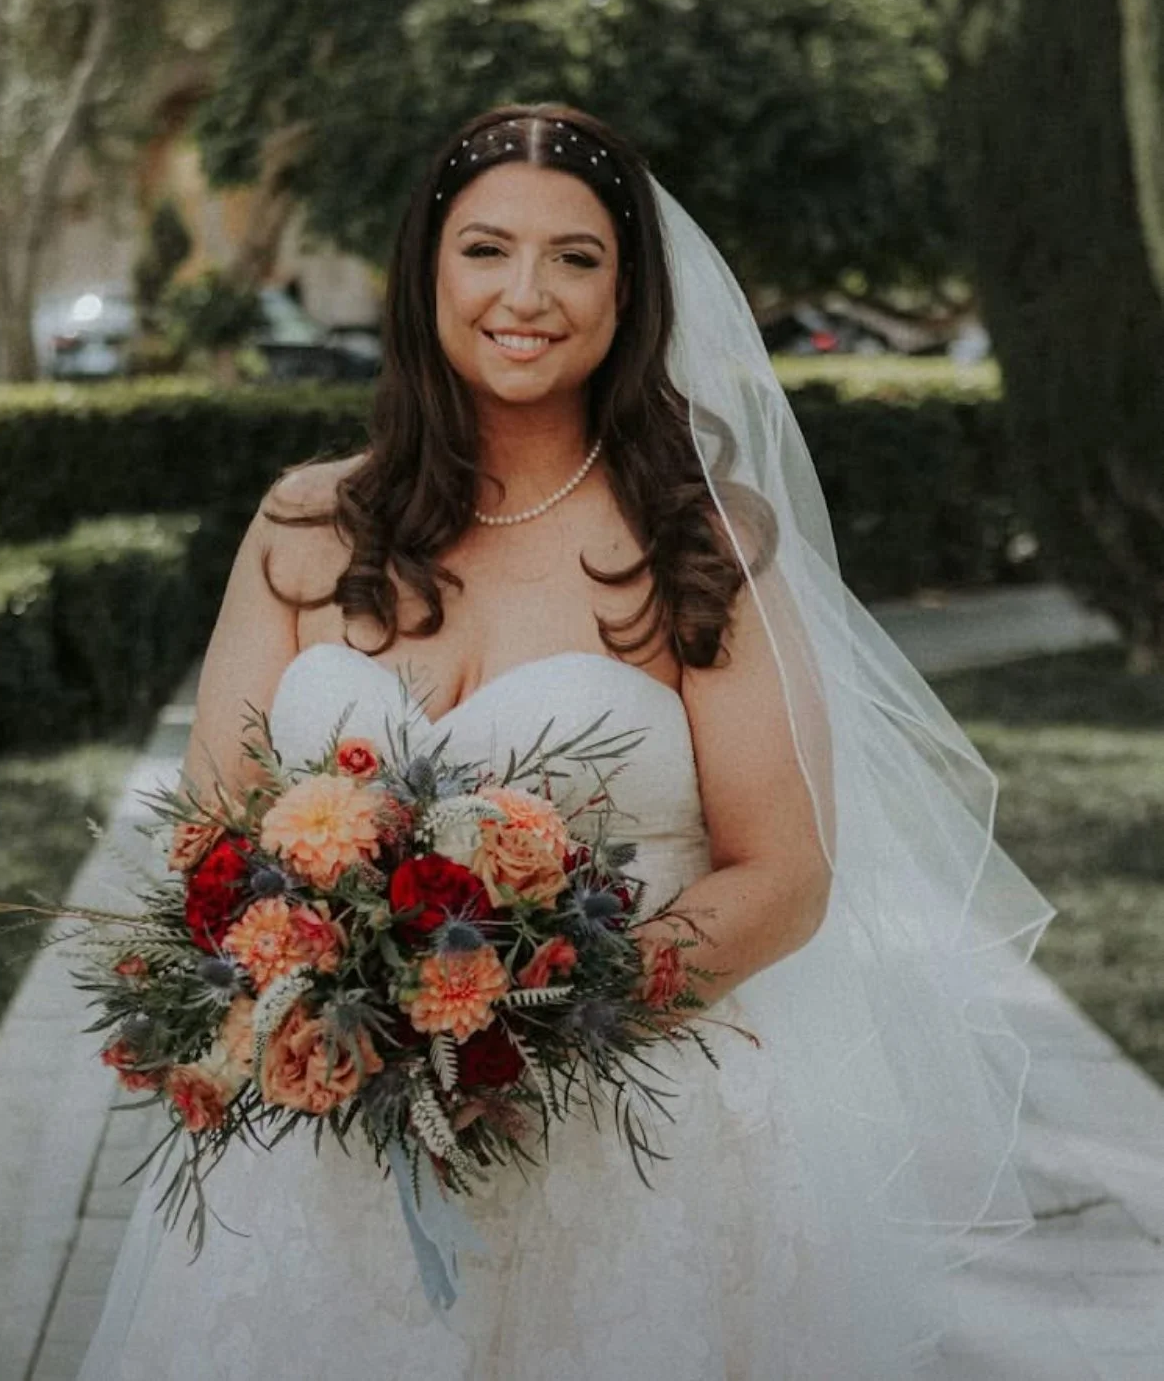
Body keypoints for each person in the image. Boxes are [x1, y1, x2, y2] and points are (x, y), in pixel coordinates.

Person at [78, 103, 1057, 1379]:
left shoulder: (701, 545)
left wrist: (522, 1023)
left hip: (639, 1145)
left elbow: (785, 873)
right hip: (338, 1149)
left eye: (576, 257)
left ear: (628, 294)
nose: (525, 293)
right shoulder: (307, 527)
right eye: (486, 249)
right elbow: (214, 837)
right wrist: (355, 1008)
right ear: (427, 272)